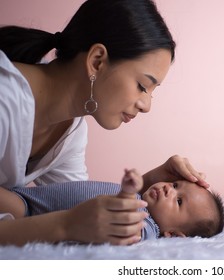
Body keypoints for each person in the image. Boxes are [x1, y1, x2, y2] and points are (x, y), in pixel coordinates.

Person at [0, 0, 209, 246]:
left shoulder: (71, 132)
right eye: (142, 86)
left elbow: (76, 205)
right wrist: (64, 226)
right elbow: (69, 220)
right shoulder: (5, 99)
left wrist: (148, 183)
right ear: (97, 60)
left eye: (152, 92)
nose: (146, 105)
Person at [8, 169, 224, 243]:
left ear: (174, 235)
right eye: (176, 184)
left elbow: (124, 225)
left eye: (178, 201)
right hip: (31, 198)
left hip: (29, 210)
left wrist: (127, 193)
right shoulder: (145, 207)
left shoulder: (146, 227)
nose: (169, 188)